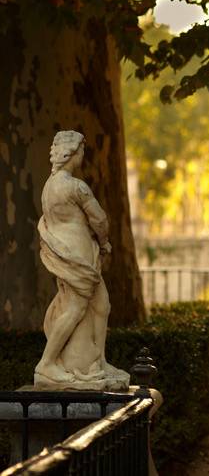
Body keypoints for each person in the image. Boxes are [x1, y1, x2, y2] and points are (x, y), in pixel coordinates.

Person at [35, 130, 127, 386]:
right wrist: (105, 241)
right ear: (71, 153)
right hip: (77, 257)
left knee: (102, 305)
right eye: (82, 152)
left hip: (70, 253)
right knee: (75, 308)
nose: (83, 157)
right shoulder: (76, 187)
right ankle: (47, 364)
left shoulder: (49, 187)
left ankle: (99, 360)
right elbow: (99, 219)